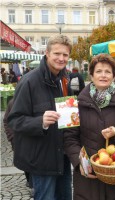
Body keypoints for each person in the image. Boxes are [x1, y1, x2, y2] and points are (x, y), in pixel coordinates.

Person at [63, 53, 115, 200]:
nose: (103, 75)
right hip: (88, 175)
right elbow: (69, 137)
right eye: (98, 71)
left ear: (113, 75)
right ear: (91, 75)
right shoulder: (77, 102)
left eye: (107, 71)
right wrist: (79, 162)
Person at [7, 34, 73, 200]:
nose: (61, 58)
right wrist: (40, 122)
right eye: (57, 53)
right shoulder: (29, 81)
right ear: (47, 53)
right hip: (41, 159)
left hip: (62, 156)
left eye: (65, 55)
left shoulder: (65, 79)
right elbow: (14, 120)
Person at [3, 98, 34, 196]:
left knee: (34, 160)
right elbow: (6, 121)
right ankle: (30, 181)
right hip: (18, 141)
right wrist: (12, 138)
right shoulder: (12, 102)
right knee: (24, 162)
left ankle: (33, 185)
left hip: (33, 140)